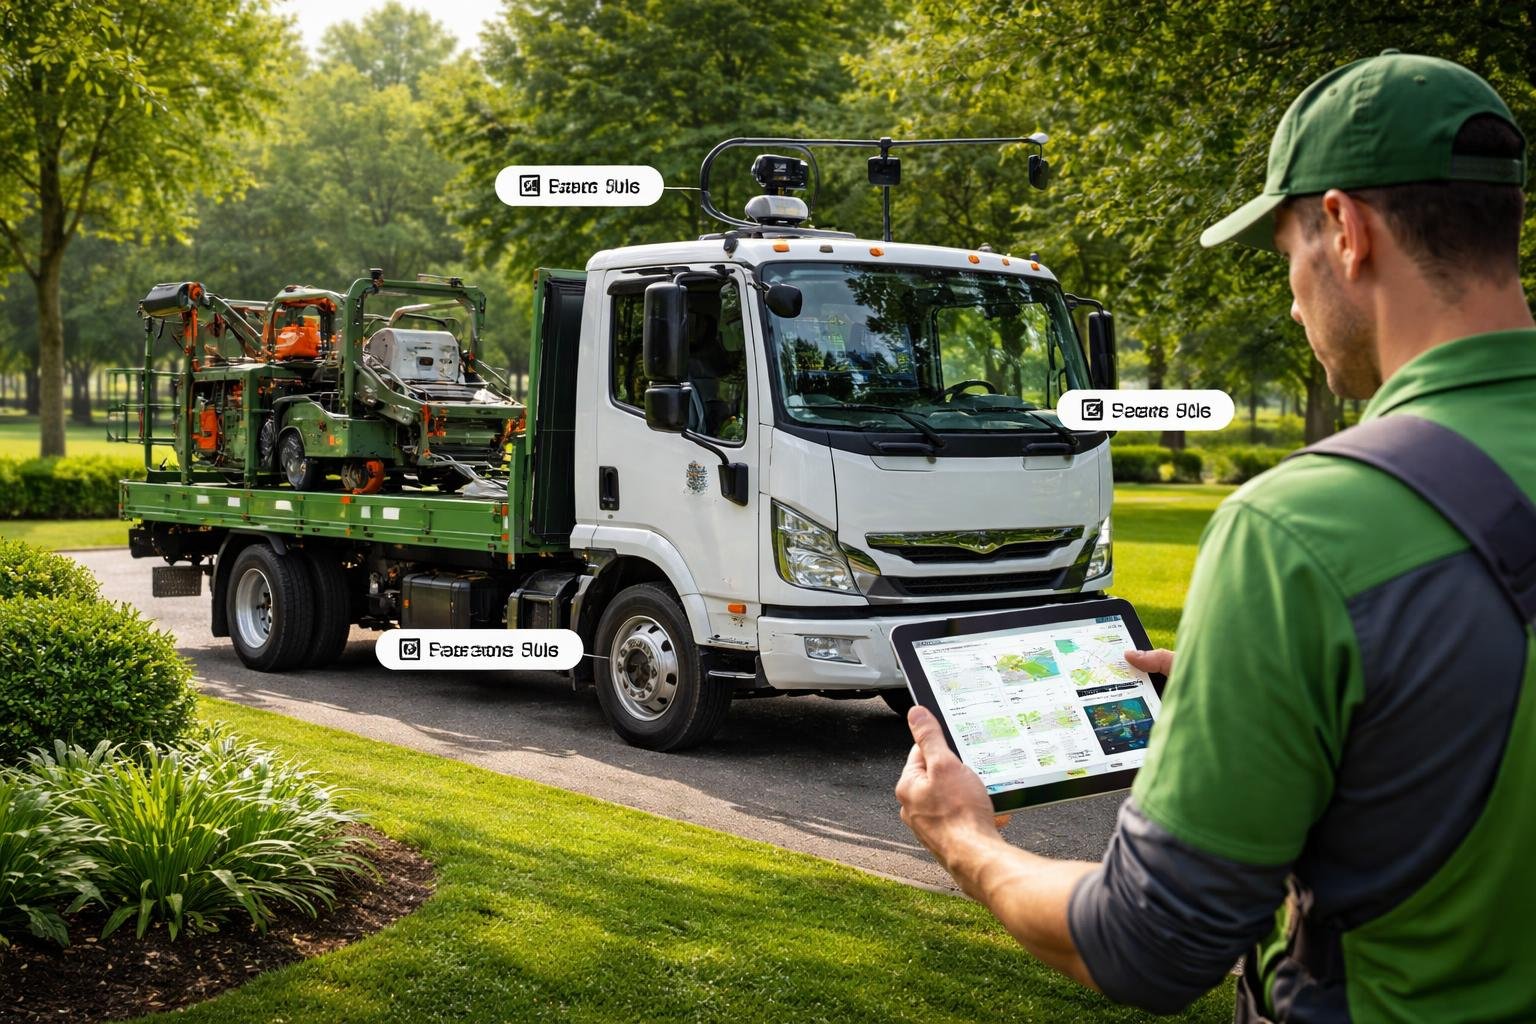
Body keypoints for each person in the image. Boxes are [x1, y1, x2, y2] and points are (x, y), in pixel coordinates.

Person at [895, 51, 1536, 1022]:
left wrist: (964, 838)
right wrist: (1285, 695)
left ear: (1345, 230)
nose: (1289, 297)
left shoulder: (1301, 532)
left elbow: (1148, 943)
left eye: (1286, 254)